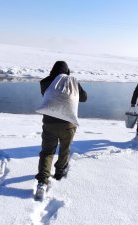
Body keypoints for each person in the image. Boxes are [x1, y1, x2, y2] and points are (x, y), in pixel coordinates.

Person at [35, 61, 87, 196]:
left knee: (47, 152)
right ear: (67, 71)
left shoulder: (46, 82)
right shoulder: (73, 82)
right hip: (68, 125)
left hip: (49, 123)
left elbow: (45, 93)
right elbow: (84, 98)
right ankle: (59, 173)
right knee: (64, 149)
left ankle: (42, 182)